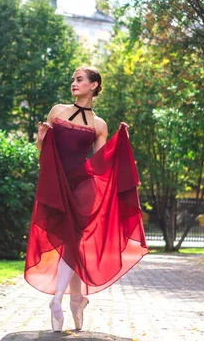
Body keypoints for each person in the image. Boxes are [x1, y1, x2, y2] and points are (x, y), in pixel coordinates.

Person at [24, 66, 149, 332]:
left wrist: (120, 141)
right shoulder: (57, 111)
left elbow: (100, 164)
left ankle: (59, 299)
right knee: (70, 243)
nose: (74, 83)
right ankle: (77, 300)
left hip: (83, 188)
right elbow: (43, 154)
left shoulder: (99, 124)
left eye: (79, 79)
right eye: (72, 79)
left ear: (93, 85)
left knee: (72, 242)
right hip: (57, 184)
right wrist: (41, 138)